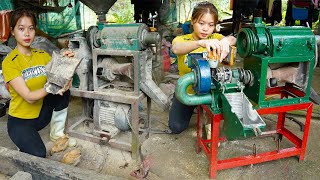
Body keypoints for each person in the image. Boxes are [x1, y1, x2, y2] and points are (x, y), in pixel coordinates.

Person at [2, 8, 74, 158]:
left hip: (41, 115)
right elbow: (28, 96)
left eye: (31, 29)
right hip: (20, 122)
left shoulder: (42, 55)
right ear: (13, 32)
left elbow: (59, 76)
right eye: (21, 29)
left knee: (63, 92)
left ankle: (57, 134)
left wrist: (65, 61)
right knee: (39, 155)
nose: (27, 34)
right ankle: (23, 142)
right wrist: (52, 86)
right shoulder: (9, 62)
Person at [169, 1, 236, 134]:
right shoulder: (183, 39)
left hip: (210, 91)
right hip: (187, 90)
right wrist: (201, 43)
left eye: (211, 25)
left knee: (219, 126)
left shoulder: (215, 38)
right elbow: (176, 49)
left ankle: (203, 109)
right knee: (176, 127)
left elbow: (233, 39)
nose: (206, 29)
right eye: (201, 23)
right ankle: (187, 104)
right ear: (193, 21)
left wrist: (225, 42)